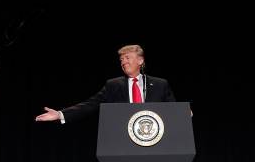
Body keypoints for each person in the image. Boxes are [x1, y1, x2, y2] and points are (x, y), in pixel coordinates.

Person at [35, 44, 175, 123]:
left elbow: (173, 110)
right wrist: (60, 114)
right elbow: (90, 104)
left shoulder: (160, 84)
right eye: (121, 60)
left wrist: (184, 113)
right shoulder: (113, 85)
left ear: (140, 61)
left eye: (127, 58)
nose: (123, 62)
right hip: (123, 140)